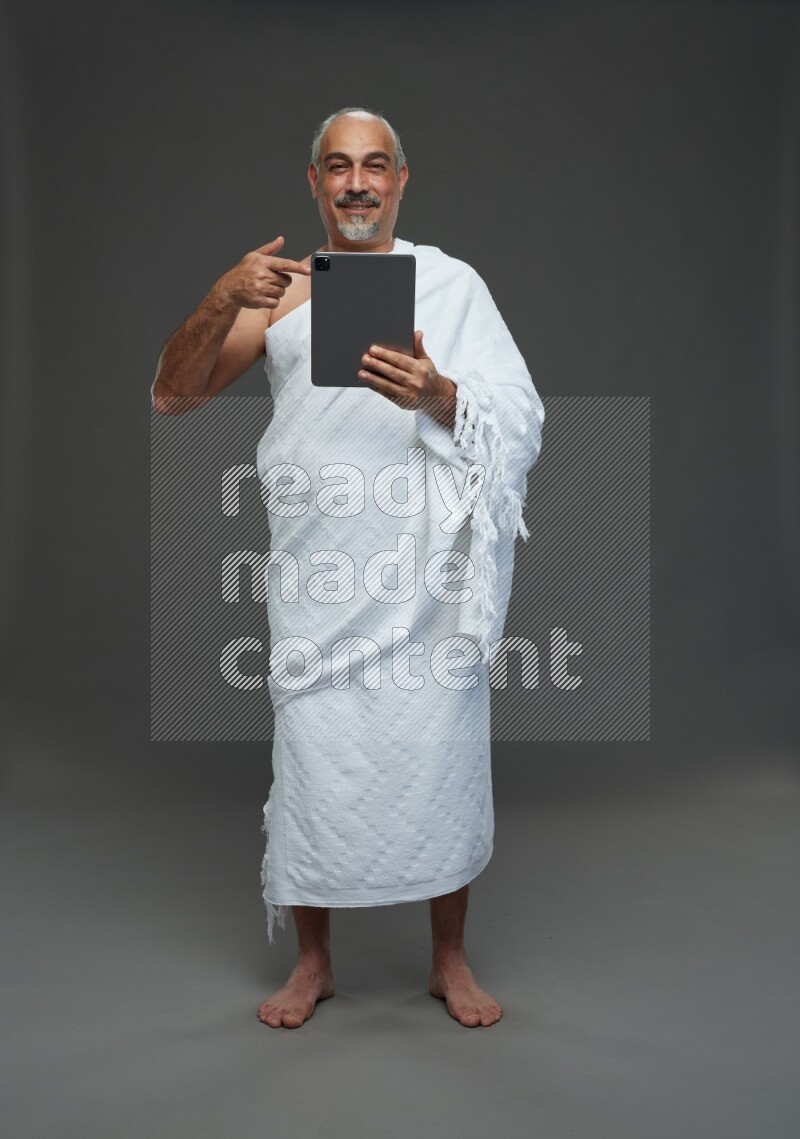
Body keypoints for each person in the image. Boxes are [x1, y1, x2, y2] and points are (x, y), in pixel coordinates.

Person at [151, 106, 545, 1030]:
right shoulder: (275, 292)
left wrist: (444, 396)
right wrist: (220, 296)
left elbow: (521, 412)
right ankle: (314, 963)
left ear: (402, 181)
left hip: (425, 576)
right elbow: (172, 396)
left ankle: (450, 958)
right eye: (339, 167)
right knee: (316, 755)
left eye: (375, 166)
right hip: (320, 569)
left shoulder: (451, 285)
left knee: (439, 751)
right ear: (316, 184)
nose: (358, 183)